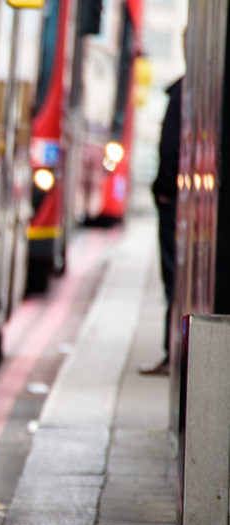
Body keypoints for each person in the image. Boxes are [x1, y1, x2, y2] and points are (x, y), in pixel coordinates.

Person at [140, 75, 182, 376]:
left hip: (173, 201)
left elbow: (169, 147)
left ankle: (172, 355)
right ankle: (172, 353)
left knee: (172, 278)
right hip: (178, 199)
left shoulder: (179, 92)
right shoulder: (185, 89)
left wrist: (164, 191)